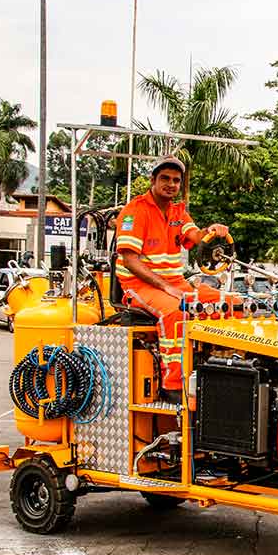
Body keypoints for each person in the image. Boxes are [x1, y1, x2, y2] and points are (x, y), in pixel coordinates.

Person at [115, 156, 230, 403]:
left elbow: (196, 236)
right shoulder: (135, 211)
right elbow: (129, 260)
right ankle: (173, 385)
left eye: (176, 180)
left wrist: (212, 230)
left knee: (229, 303)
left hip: (175, 283)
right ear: (153, 180)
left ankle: (220, 371)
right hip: (140, 285)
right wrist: (166, 286)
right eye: (165, 178)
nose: (171, 184)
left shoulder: (179, 211)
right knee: (176, 312)